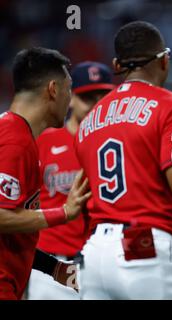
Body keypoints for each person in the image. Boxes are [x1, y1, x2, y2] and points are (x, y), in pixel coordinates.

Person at [74, 21, 172, 300]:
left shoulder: (89, 120)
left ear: (117, 65)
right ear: (164, 60)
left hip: (94, 255)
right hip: (146, 248)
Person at [0, 47, 91, 300]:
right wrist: (63, 213)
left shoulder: (15, 133)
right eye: (69, 88)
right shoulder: (14, 142)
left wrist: (53, 268)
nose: (69, 98)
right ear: (53, 89)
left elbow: (15, 234)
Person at [26, 61, 115, 300]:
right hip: (52, 264)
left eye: (103, 97)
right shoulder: (43, 142)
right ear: (71, 98)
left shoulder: (120, 146)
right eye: (88, 97)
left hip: (103, 266)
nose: (96, 105)